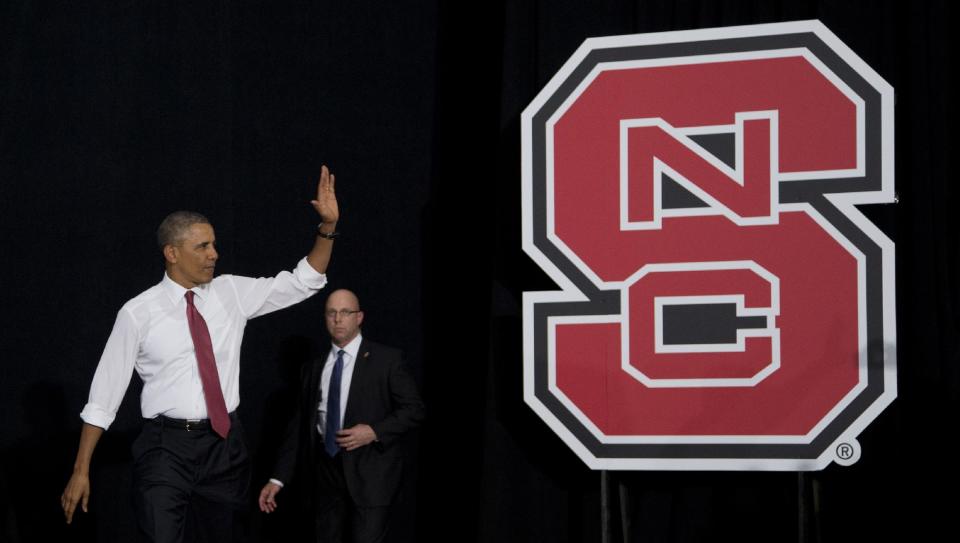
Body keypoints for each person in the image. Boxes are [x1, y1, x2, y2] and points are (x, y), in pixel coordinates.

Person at [60, 166, 341, 543]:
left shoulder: (231, 292)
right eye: (202, 247)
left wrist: (327, 228)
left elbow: (303, 283)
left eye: (213, 245)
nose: (214, 254)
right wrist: (81, 470)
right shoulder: (138, 312)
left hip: (225, 448)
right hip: (165, 449)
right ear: (172, 253)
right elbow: (103, 396)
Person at [258, 289, 424, 543]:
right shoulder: (312, 368)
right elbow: (298, 430)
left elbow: (414, 410)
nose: (338, 319)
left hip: (371, 477)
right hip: (325, 476)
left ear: (359, 317)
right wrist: (277, 479)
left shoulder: (387, 360)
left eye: (345, 312)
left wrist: (374, 431)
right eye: (331, 313)